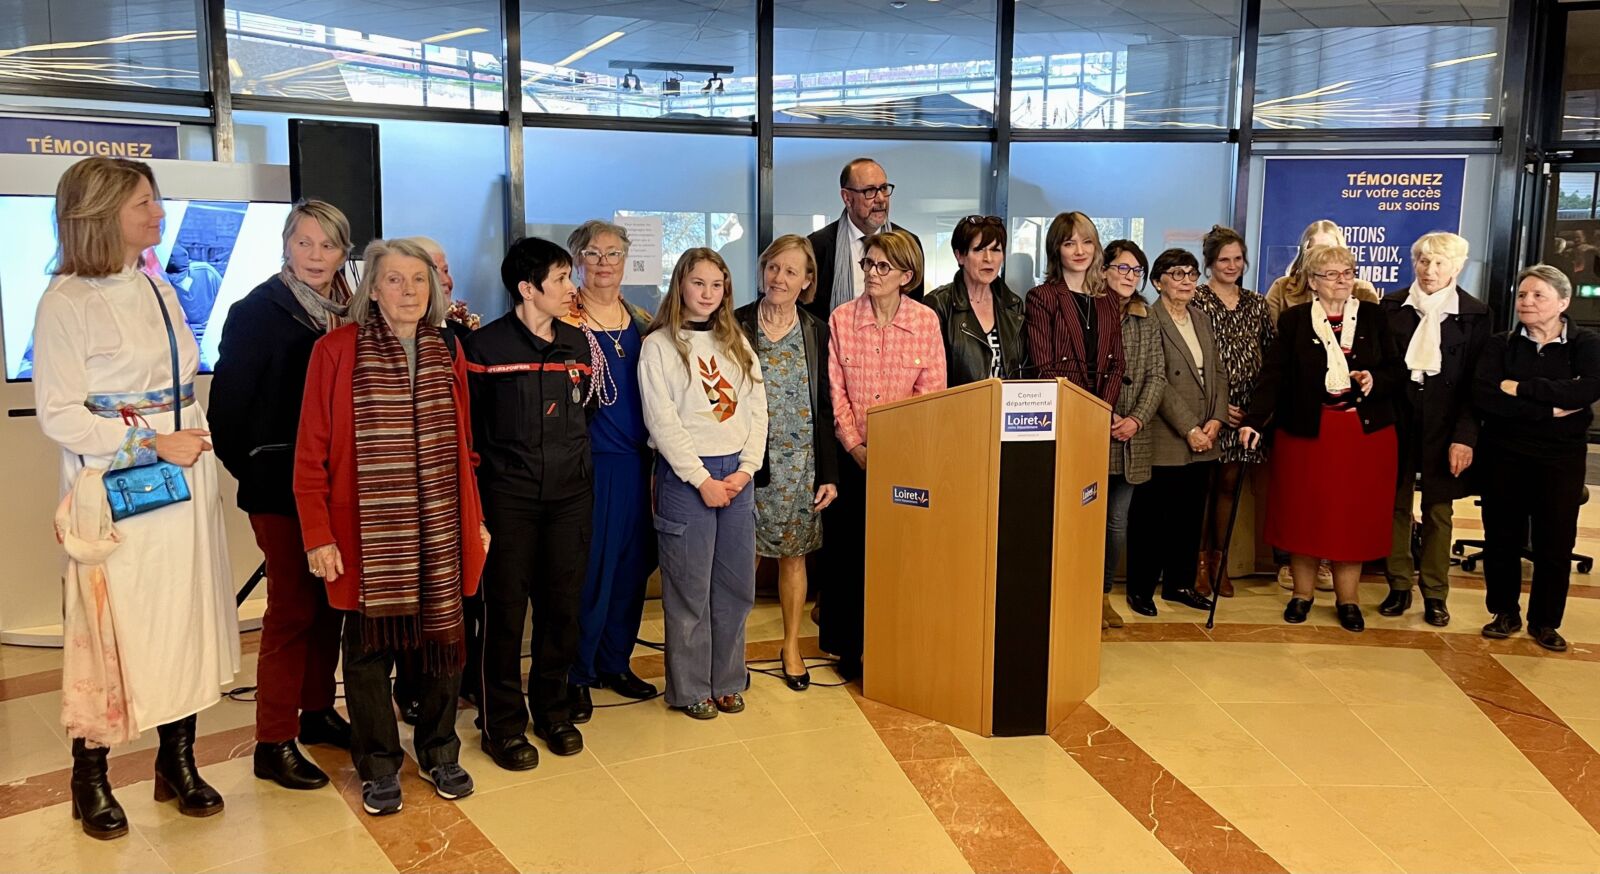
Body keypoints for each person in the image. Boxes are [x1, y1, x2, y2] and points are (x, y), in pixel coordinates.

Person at [35, 156, 240, 839]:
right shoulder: (64, 301)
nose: (159, 214)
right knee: (114, 626)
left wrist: (190, 443)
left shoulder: (158, 288)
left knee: (182, 616)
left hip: (183, 479)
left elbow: (183, 382)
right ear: (100, 215)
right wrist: (154, 444)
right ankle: (88, 776)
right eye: (144, 205)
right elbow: (61, 416)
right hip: (121, 486)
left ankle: (176, 763)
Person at [294, 238, 489, 816]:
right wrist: (317, 534)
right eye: (395, 280)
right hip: (365, 535)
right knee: (366, 656)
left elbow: (465, 449)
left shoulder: (446, 348)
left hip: (441, 528)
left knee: (443, 646)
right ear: (372, 289)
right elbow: (310, 454)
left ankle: (438, 750)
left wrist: (475, 522)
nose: (408, 291)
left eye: (419, 280)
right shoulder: (335, 350)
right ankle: (378, 764)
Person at [210, 200, 354, 792]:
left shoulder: (349, 315)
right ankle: (273, 740)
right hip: (278, 489)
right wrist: (259, 467)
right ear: (286, 245)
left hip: (336, 486)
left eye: (329, 246)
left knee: (329, 605)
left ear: (345, 253)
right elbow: (228, 413)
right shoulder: (257, 312)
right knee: (292, 610)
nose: (316, 256)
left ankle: (317, 710)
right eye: (305, 243)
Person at [464, 237, 596, 768]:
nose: (572, 288)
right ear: (527, 288)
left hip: (570, 497)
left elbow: (584, 414)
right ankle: (501, 724)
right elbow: (469, 434)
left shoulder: (575, 344)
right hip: (508, 501)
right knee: (504, 614)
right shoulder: (485, 349)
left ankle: (552, 709)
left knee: (562, 608)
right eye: (562, 279)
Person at [1240, 245, 1401, 633]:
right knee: (1304, 515)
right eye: (1331, 274)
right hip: (1308, 436)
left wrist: (1374, 379)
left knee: (1352, 518)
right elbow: (1274, 375)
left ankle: (1348, 601)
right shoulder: (1295, 320)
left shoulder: (1375, 316)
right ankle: (1302, 595)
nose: (1342, 280)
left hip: (1363, 437)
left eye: (1347, 273)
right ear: (1312, 281)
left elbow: (1396, 369)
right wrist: (1254, 421)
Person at [640, 249, 768, 718]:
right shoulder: (659, 346)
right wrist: (700, 479)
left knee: (735, 586)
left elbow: (757, 407)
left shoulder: (736, 341)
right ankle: (690, 686)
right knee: (689, 589)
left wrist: (745, 468)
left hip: (737, 475)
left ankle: (728, 679)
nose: (708, 294)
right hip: (686, 477)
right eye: (699, 283)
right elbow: (663, 421)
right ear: (681, 285)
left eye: (717, 285)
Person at [824, 228, 947, 680]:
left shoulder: (925, 322)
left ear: (906, 275)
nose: (872, 273)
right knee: (850, 554)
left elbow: (931, 392)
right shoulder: (840, 319)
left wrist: (895, 450)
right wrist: (855, 445)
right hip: (852, 457)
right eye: (868, 264)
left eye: (882, 267)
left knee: (899, 557)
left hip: (904, 459)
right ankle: (848, 649)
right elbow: (834, 391)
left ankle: (893, 642)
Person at [1472, 265, 1600, 652]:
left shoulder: (1587, 344)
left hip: (1560, 456)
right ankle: (1504, 611)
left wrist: (1521, 388)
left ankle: (1545, 621)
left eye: (1537, 296)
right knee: (1502, 537)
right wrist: (1547, 408)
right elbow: (1485, 396)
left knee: (1555, 540)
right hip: (1504, 451)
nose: (1526, 302)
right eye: (1523, 295)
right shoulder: (1500, 344)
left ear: (1563, 302)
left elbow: (1585, 392)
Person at [562, 220, 660, 720]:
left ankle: (614, 662)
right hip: (589, 467)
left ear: (627, 260)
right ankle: (575, 673)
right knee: (590, 573)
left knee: (631, 568)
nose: (603, 262)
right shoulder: (562, 320)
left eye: (613, 253)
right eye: (592, 253)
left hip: (639, 465)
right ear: (577, 260)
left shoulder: (643, 321)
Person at [735, 236, 839, 691]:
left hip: (801, 466)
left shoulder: (817, 330)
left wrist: (830, 474)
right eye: (773, 268)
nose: (779, 278)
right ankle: (730, 649)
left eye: (791, 271)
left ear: (807, 281)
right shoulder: (735, 323)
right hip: (745, 462)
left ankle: (792, 644)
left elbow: (827, 405)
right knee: (741, 559)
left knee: (794, 559)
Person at [1377, 232, 1491, 627]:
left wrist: (1465, 436)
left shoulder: (1475, 313)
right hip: (1399, 415)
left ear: (1457, 268)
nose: (1430, 270)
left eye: (1440, 263)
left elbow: (1476, 383)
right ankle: (1398, 585)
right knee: (1395, 504)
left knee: (1439, 510)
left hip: (1446, 422)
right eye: (1423, 261)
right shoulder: (1391, 305)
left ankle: (1435, 593)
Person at [392, 235, 480, 723]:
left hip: (455, 487)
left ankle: (453, 684)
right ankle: (410, 688)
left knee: (454, 594)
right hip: (396, 498)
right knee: (408, 598)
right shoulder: (366, 345)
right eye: (429, 271)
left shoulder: (455, 337)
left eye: (441, 272)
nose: (440, 280)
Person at [1124, 249, 1227, 617]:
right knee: (1152, 517)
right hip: (1168, 434)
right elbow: (1160, 381)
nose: (1186, 281)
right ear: (1157, 281)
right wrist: (1190, 428)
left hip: (1205, 435)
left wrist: (1216, 419)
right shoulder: (1149, 318)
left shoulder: (1201, 317)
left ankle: (1179, 584)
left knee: (1189, 515)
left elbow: (1216, 371)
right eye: (1177, 274)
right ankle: (1141, 588)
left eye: (1191, 273)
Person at [1192, 225, 1275, 599]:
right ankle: (1198, 566)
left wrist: (1256, 412)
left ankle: (1221, 563)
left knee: (1229, 485)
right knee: (1203, 487)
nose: (1231, 265)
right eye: (1223, 259)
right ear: (1209, 262)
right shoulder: (1195, 299)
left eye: (1237, 258)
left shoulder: (1257, 304)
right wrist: (1215, 406)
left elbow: (1272, 360)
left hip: (1247, 415)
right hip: (1209, 408)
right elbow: (1189, 358)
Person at [1101, 240, 1165, 629]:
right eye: (1122, 268)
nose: (1129, 276)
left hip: (1132, 438)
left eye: (1136, 270)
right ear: (1105, 269)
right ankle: (1074, 593)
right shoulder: (1090, 308)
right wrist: (1105, 414)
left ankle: (1102, 596)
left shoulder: (1147, 315)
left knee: (1117, 523)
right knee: (1083, 522)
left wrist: (1136, 419)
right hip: (1095, 429)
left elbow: (1157, 375)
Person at [1024, 211, 1126, 406]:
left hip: (1101, 409)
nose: (1080, 251)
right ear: (1056, 250)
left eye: (1087, 242)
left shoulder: (1109, 297)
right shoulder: (1042, 297)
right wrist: (1077, 408)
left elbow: (1117, 363)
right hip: (1060, 408)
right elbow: (1043, 367)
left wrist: (1102, 408)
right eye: (1069, 244)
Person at [804, 157, 926, 318]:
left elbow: (914, 309)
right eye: (870, 191)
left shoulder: (909, 244)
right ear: (847, 198)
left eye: (883, 188)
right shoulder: (817, 246)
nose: (881, 198)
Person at [924, 215, 1029, 385]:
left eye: (996, 250)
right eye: (979, 250)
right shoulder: (939, 304)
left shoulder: (1013, 305)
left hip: (1006, 408)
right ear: (960, 256)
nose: (989, 258)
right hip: (960, 408)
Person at [1265, 220, 1379, 321]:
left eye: (1330, 249)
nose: (1324, 257)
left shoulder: (1363, 291)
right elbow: (1270, 337)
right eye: (1317, 250)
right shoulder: (1281, 287)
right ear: (1305, 254)